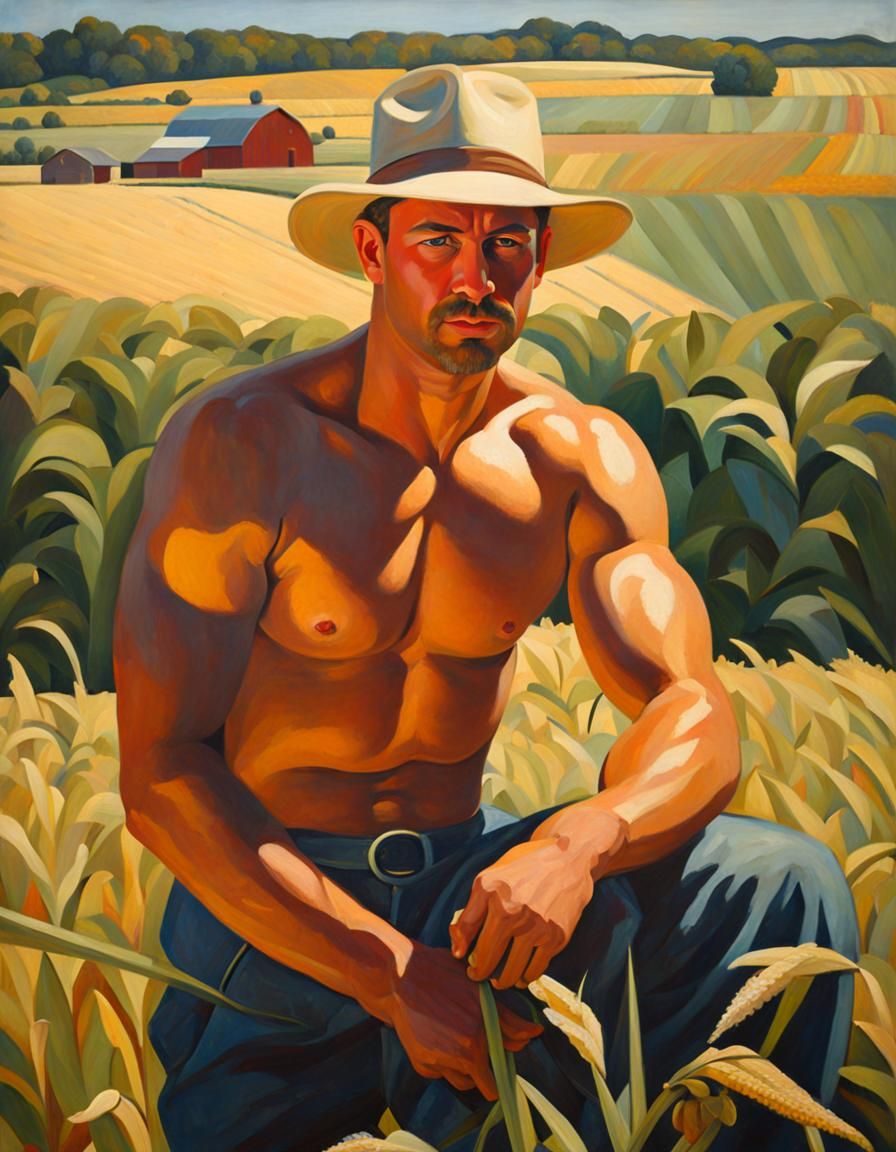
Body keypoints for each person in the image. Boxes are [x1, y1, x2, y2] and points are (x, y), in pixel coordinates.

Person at [114, 65, 857, 1152]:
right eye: (438, 242)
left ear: (539, 259)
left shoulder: (576, 456)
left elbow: (693, 708)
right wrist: (388, 976)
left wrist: (579, 841)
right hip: (270, 922)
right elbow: (162, 773)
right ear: (372, 252)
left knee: (785, 884)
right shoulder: (241, 445)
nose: (476, 276)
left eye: (506, 242)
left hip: (474, 903)